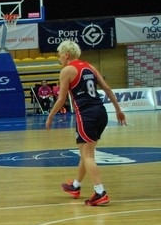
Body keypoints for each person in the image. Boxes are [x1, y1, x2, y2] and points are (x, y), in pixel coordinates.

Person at [46, 39, 127, 206]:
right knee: (85, 151)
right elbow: (107, 88)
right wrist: (118, 110)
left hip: (86, 114)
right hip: (100, 112)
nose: (58, 58)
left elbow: (61, 99)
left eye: (59, 55)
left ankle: (100, 192)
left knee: (87, 154)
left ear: (66, 55)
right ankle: (75, 186)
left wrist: (50, 116)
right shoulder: (89, 66)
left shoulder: (67, 70)